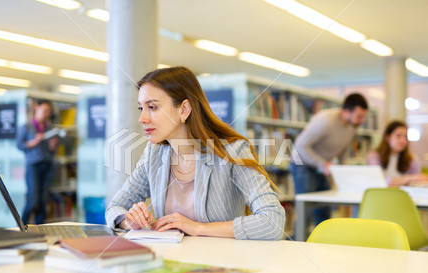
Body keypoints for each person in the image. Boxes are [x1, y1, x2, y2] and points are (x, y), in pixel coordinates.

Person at [106, 66, 285, 240]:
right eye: (141, 108)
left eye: (152, 107)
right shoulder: (154, 153)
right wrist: (128, 222)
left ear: (184, 109)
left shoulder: (233, 151)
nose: (142, 119)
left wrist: (197, 228)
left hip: (221, 264)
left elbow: (273, 221)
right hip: (169, 262)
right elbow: (115, 207)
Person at [290, 93, 369, 225]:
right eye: (359, 116)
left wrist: (343, 172)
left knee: (324, 210)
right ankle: (297, 244)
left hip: (322, 166)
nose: (362, 121)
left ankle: (321, 244)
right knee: (306, 212)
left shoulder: (352, 127)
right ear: (346, 111)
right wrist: (322, 164)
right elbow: (299, 147)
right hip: (303, 164)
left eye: (363, 117)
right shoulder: (326, 121)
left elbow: (344, 149)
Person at [17, 100, 60, 224]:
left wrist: (53, 146)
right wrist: (34, 141)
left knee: (43, 202)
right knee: (32, 201)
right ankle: (21, 228)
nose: (46, 114)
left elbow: (52, 151)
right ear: (36, 108)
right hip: (33, 166)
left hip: (47, 166)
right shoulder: (26, 127)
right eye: (44, 110)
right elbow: (20, 145)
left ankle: (40, 232)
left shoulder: (50, 128)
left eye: (48, 112)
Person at [367, 120, 428, 186]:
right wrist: (410, 178)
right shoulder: (374, 156)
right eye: (398, 136)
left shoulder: (412, 159)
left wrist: (413, 179)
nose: (403, 140)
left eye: (405, 136)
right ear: (388, 137)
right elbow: (377, 181)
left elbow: (417, 182)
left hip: (404, 195)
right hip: (380, 194)